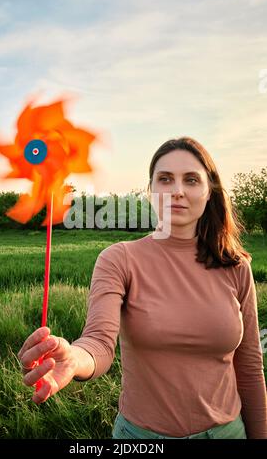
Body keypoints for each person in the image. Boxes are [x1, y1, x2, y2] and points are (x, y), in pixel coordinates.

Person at [18, 136, 267, 439]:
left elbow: (250, 368)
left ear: (209, 190)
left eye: (191, 179)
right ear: (151, 192)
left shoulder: (236, 266)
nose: (177, 191)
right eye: (165, 179)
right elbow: (98, 341)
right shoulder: (119, 259)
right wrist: (75, 358)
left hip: (229, 433)